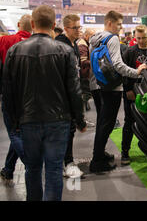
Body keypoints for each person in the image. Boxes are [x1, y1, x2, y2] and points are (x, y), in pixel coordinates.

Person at [2, 5, 86, 201]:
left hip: (27, 121)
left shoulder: (14, 51)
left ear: (32, 24)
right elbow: (74, 91)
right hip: (58, 121)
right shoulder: (65, 51)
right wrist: (79, 120)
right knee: (54, 170)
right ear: (54, 24)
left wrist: (13, 123)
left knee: (32, 169)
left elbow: (8, 92)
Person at [88, 10, 147, 173]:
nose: (121, 28)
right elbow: (118, 65)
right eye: (119, 24)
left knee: (102, 122)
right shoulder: (112, 38)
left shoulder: (94, 39)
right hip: (112, 87)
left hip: (99, 85)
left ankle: (99, 154)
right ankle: (97, 161)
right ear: (109, 23)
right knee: (106, 124)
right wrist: (136, 71)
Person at [121, 25, 147, 165]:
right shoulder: (129, 51)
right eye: (138, 38)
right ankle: (124, 152)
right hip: (132, 91)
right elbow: (124, 72)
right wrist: (127, 90)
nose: (141, 41)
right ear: (134, 37)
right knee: (129, 122)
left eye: (143, 38)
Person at [0, 15, 32, 183]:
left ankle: (31, 164)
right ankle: (8, 169)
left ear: (19, 25)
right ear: (32, 26)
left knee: (13, 131)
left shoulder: (5, 40)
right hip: (30, 94)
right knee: (19, 131)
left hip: (10, 92)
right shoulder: (35, 43)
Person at [55, 14, 84, 179]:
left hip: (72, 92)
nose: (79, 30)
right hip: (63, 95)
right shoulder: (60, 45)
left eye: (79, 27)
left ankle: (67, 162)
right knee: (66, 130)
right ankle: (67, 163)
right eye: (75, 27)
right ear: (66, 28)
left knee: (69, 130)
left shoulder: (74, 44)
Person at [77, 29, 95, 112]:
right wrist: (95, 62)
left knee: (86, 93)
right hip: (84, 73)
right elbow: (83, 60)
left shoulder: (85, 43)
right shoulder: (82, 45)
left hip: (84, 73)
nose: (93, 38)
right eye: (92, 36)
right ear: (86, 35)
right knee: (87, 93)